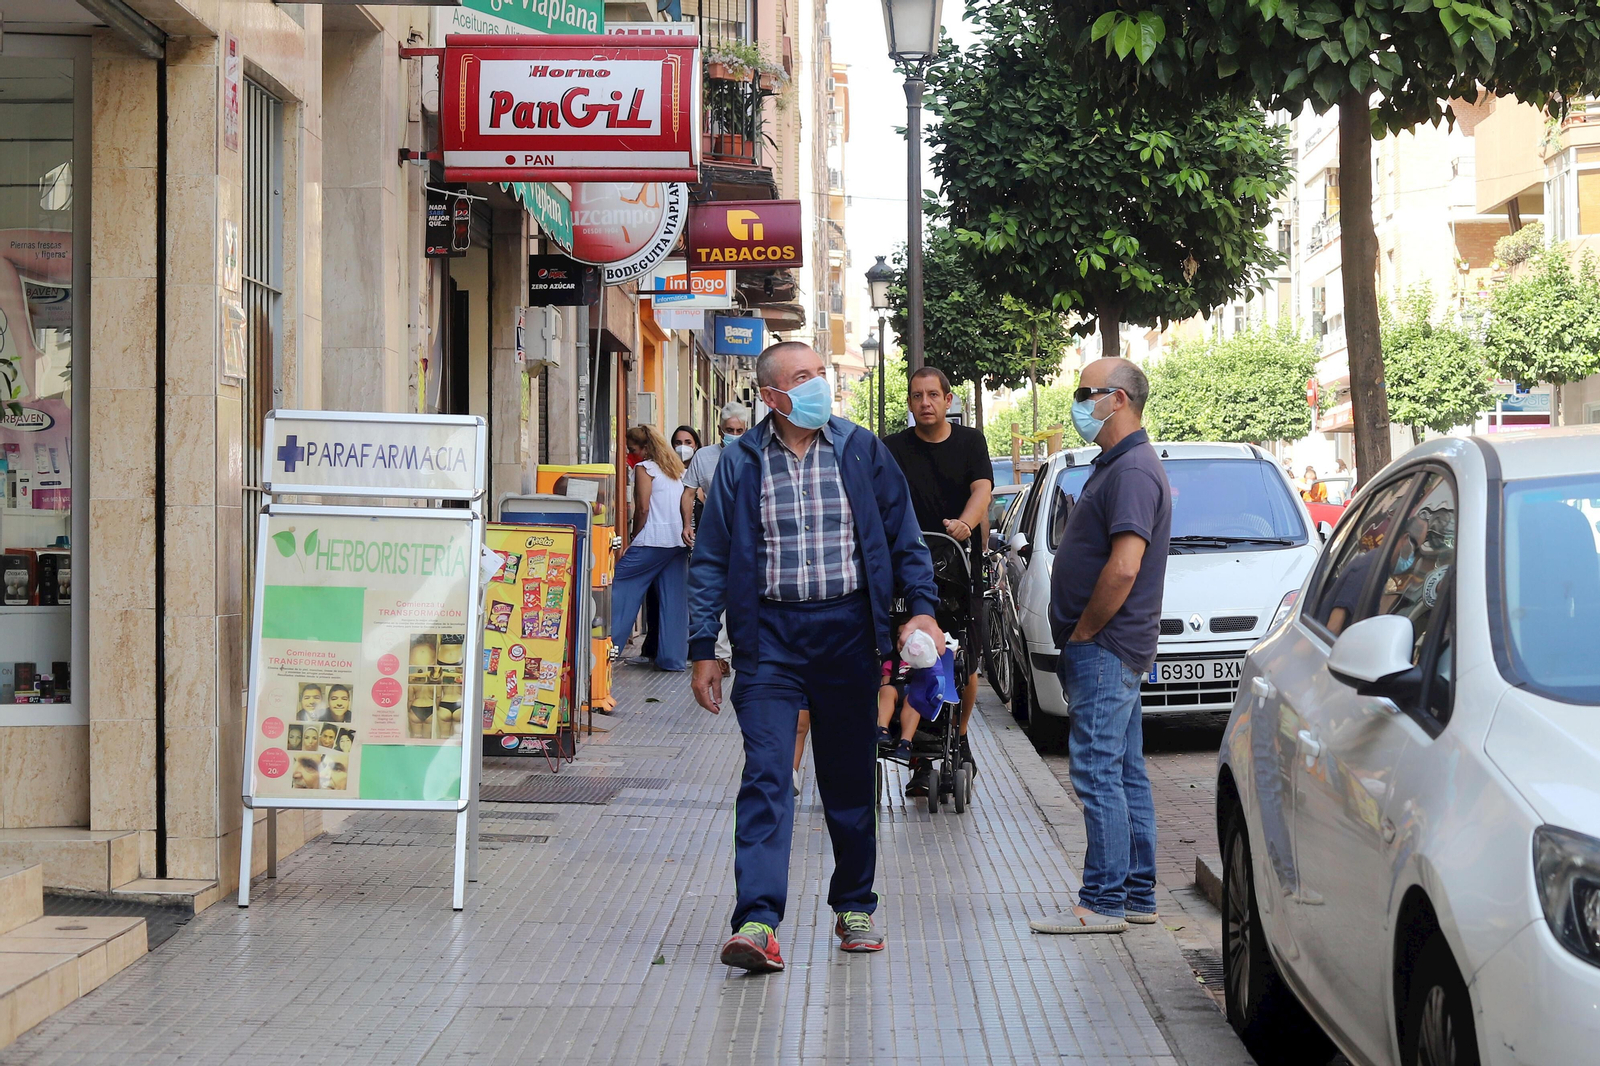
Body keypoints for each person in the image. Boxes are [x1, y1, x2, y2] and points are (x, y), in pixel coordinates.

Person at [688, 341, 944, 973]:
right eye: (803, 379)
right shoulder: (742, 463)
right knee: (768, 774)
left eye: (820, 375)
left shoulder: (860, 450)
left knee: (849, 777)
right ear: (772, 396)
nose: (818, 387)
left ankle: (854, 904)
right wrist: (704, 648)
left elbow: (903, 534)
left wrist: (923, 607)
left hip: (848, 634)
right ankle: (757, 921)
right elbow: (713, 559)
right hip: (769, 640)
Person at [1031, 357, 1171, 936]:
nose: (1078, 402)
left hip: (1106, 645)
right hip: (1115, 645)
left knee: (1095, 770)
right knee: (1124, 769)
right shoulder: (1118, 465)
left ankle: (1103, 901)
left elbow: (1124, 566)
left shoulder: (1133, 471)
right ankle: (1136, 893)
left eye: (1085, 393)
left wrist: (1085, 630)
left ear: (1116, 399)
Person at [883, 367, 993, 788]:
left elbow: (981, 489)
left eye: (933, 395)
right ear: (909, 403)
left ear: (949, 400)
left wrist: (966, 524)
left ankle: (958, 737)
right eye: (916, 396)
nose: (924, 403)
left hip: (959, 563)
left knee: (963, 659)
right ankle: (915, 757)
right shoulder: (892, 448)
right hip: (907, 569)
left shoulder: (970, 442)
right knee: (905, 659)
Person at [610, 425, 689, 672]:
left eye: (632, 449)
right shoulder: (676, 470)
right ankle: (673, 659)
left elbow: (642, 508)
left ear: (644, 449)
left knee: (620, 585)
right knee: (674, 599)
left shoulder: (644, 469)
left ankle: (606, 648)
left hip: (652, 539)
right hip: (677, 542)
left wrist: (633, 537)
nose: (629, 454)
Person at [681, 403, 751, 674]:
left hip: (746, 534)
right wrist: (688, 525)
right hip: (716, 532)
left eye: (739, 430)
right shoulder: (704, 456)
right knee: (714, 588)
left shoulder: (754, 454)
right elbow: (688, 493)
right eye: (729, 430)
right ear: (720, 429)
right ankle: (720, 655)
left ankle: (741, 648)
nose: (734, 434)